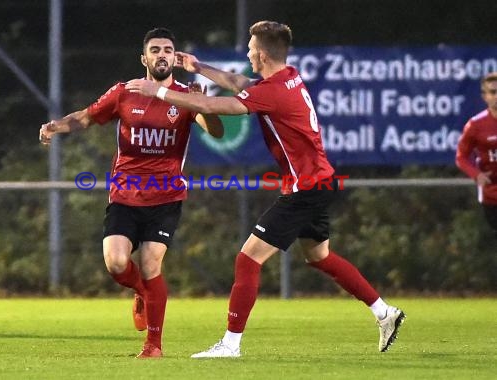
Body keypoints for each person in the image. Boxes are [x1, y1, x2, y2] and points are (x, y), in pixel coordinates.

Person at [126, 20, 405, 358]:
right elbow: (238, 82)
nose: (246, 53)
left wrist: (156, 91)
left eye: (249, 48)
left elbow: (213, 107)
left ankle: (230, 345)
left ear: (259, 53)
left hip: (306, 188)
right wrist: (198, 67)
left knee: (247, 260)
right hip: (319, 180)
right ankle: (384, 312)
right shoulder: (287, 78)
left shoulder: (272, 92)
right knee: (319, 256)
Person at [39, 27, 223, 359]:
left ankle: (153, 346)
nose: (163, 54)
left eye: (168, 49)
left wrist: (204, 104)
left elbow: (217, 132)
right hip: (125, 195)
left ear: (175, 57)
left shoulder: (185, 96)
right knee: (116, 262)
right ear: (145, 59)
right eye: (156, 49)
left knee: (152, 264)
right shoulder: (125, 93)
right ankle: (141, 291)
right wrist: (57, 126)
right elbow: (86, 117)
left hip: (165, 197)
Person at [456, 72, 497, 237]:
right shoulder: (475, 125)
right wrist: (476, 174)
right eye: (493, 92)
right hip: (492, 196)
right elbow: (461, 156)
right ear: (484, 96)